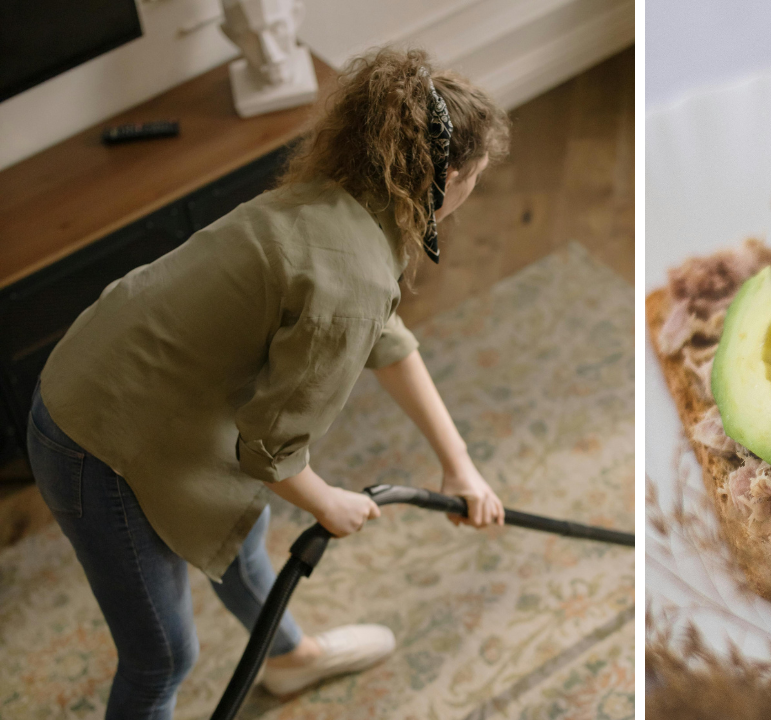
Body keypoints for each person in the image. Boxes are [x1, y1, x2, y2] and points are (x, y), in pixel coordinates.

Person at [25, 48, 509, 719]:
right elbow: (270, 450)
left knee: (241, 532)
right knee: (162, 655)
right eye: (475, 177)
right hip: (97, 438)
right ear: (447, 175)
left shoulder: (349, 203)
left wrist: (459, 466)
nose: (471, 192)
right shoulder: (353, 273)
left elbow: (386, 339)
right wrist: (326, 502)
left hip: (130, 379)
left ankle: (288, 659)